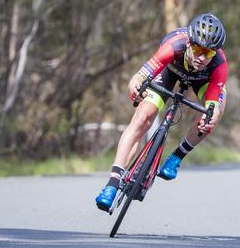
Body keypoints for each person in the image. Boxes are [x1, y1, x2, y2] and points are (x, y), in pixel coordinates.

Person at [95, 12, 228, 212]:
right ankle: (112, 184)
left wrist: (212, 113)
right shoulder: (174, 45)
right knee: (142, 118)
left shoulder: (219, 64)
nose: (201, 57)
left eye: (208, 53)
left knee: (215, 111)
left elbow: (213, 100)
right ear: (190, 43)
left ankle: (177, 156)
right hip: (169, 71)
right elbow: (140, 75)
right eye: (198, 49)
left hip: (203, 81)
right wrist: (136, 84)